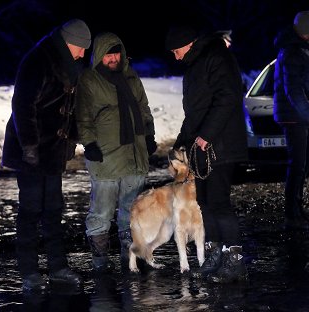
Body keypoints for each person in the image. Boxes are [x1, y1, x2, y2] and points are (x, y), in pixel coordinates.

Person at [1, 18, 91, 291]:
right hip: (30, 152)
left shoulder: (70, 64)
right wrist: (29, 146)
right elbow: (23, 105)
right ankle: (29, 271)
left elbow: (71, 108)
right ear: (69, 43)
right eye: (81, 48)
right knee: (30, 211)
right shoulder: (38, 60)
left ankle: (58, 267)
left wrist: (73, 138)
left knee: (53, 210)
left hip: (52, 152)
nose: (83, 54)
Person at [165, 24, 248, 283]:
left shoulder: (218, 57)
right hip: (202, 148)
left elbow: (228, 97)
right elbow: (195, 112)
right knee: (205, 203)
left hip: (221, 146)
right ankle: (214, 254)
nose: (176, 57)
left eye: (177, 51)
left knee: (220, 203)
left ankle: (234, 260)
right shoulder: (194, 66)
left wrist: (207, 135)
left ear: (190, 43)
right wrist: (182, 140)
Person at [75, 32, 157, 273]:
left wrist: (150, 135)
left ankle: (130, 260)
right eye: (108, 53)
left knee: (132, 212)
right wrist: (89, 144)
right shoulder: (89, 80)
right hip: (106, 157)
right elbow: (83, 116)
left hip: (134, 157)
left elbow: (143, 108)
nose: (113, 58)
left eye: (116, 52)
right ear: (100, 54)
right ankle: (100, 263)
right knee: (101, 212)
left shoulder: (131, 77)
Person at [273, 11, 309, 230]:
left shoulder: (296, 49)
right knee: (298, 165)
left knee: (304, 163)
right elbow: (294, 90)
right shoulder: (293, 52)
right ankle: (292, 215)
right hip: (294, 117)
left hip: (297, 116)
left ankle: (297, 209)